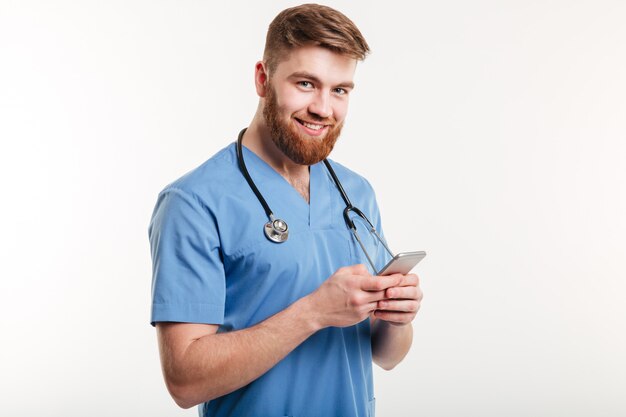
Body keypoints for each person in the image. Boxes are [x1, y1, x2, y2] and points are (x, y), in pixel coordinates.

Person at [149, 4, 423, 417]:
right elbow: (185, 381)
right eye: (306, 83)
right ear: (263, 79)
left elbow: (386, 356)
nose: (323, 108)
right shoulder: (194, 203)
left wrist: (397, 319)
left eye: (340, 90)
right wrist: (313, 312)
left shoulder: (356, 194)